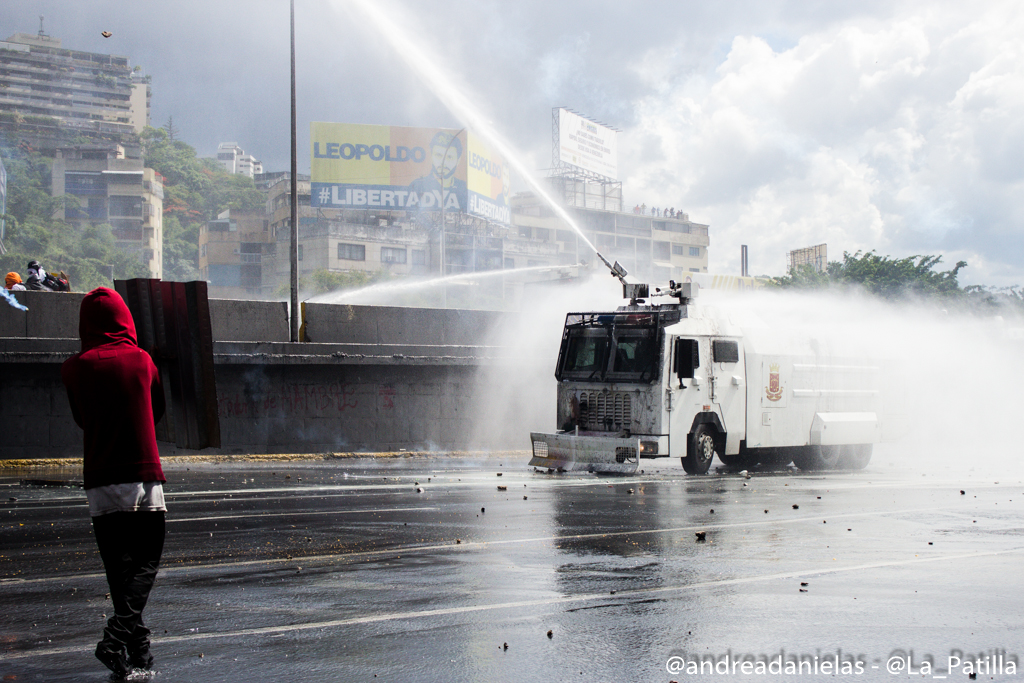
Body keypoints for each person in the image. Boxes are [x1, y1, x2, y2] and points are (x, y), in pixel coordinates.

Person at [61, 287, 166, 678]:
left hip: (99, 481)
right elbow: (156, 411)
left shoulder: (73, 368)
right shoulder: (142, 361)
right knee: (146, 564)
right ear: (125, 319)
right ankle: (115, 638)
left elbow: (81, 418)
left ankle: (138, 654)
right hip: (141, 474)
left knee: (119, 573)